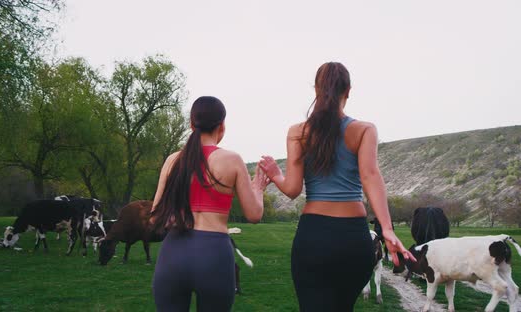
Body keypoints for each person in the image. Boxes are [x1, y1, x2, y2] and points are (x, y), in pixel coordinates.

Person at [259, 62, 416, 312]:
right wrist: (386, 229)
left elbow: (292, 189)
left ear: (316, 90)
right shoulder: (364, 130)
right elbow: (370, 177)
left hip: (313, 238)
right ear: (348, 91)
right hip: (353, 239)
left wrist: (276, 174)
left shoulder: (298, 132)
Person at [151, 96, 270, 312]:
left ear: (191, 124)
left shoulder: (172, 160)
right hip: (213, 254)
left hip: (173, 253)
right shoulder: (232, 160)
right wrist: (258, 189)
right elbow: (254, 214)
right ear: (222, 126)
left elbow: (154, 217)